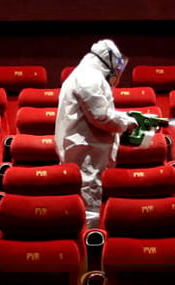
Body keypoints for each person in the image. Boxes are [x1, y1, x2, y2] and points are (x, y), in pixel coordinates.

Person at [55, 39, 139, 228]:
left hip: (88, 153)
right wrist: (127, 123)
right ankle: (89, 253)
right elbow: (101, 116)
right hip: (86, 155)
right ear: (106, 58)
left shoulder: (87, 74)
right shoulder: (89, 77)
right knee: (89, 210)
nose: (118, 69)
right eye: (117, 64)